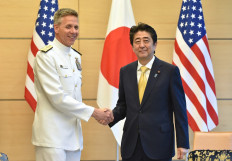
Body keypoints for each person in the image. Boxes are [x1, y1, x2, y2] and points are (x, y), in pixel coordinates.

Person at [32, 8, 113, 161]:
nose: (74, 31)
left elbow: (74, 95)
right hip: (52, 137)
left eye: (76, 27)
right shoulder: (46, 56)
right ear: (56, 28)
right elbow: (57, 97)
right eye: (68, 26)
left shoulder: (75, 56)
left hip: (73, 136)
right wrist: (94, 112)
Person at [108, 23, 189, 161]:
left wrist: (183, 143)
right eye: (137, 41)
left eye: (146, 40)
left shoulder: (169, 71)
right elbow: (123, 106)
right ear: (132, 46)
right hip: (131, 144)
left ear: (155, 44)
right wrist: (109, 116)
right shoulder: (125, 71)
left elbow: (179, 109)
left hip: (159, 144)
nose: (142, 45)